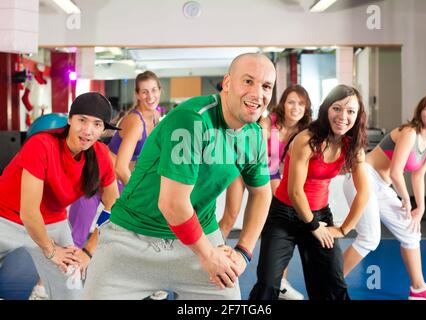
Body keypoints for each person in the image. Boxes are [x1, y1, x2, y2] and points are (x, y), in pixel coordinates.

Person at [82, 53, 276, 300]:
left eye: (266, 86)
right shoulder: (192, 119)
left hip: (198, 240)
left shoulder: (256, 136)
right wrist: (209, 256)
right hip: (132, 238)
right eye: (248, 81)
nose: (258, 93)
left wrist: (244, 252)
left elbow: (262, 194)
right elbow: (172, 205)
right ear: (227, 83)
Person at [249, 84, 369, 300]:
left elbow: (364, 193)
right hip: (284, 215)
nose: (343, 116)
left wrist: (343, 230)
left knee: (333, 285)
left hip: (321, 216)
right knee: (267, 284)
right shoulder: (306, 139)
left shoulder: (353, 146)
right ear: (326, 109)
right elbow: (295, 192)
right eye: (337, 108)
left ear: (358, 116)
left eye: (351, 111)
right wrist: (313, 226)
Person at [0, 92, 120, 300]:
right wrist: (51, 251)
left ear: (103, 129)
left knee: (72, 291)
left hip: (52, 223)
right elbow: (29, 212)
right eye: (82, 120)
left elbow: (114, 207)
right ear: (70, 120)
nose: (88, 130)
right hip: (5, 217)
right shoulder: (41, 145)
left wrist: (88, 252)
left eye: (97, 124)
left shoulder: (101, 155)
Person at [342, 93, 426, 300]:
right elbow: (396, 172)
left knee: (411, 233)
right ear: (420, 112)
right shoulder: (410, 132)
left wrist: (421, 207)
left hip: (381, 186)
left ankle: (418, 289)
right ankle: (329, 286)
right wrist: (406, 200)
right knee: (369, 238)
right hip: (363, 177)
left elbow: (418, 175)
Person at [219, 84, 312, 300]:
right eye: (291, 102)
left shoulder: (303, 132)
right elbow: (259, 150)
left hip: (271, 176)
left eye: (300, 103)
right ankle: (210, 262)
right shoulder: (269, 121)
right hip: (245, 168)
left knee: (282, 225)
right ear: (283, 104)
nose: (295, 107)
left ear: (306, 108)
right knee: (230, 217)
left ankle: (280, 282)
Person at [68, 71, 162, 249]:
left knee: (108, 237)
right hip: (97, 178)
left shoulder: (155, 118)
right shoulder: (136, 122)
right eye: (144, 91)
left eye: (154, 90)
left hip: (115, 180)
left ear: (160, 90)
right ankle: (59, 272)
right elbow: (121, 167)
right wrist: (139, 192)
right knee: (75, 240)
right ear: (137, 94)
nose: (150, 96)